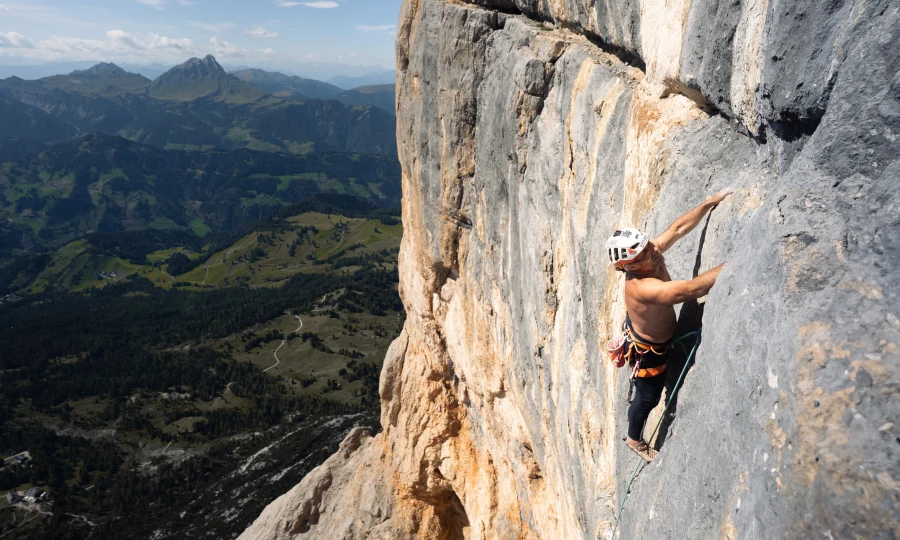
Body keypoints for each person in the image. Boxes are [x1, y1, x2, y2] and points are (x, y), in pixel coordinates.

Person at [605, 189, 733, 461]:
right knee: (648, 398)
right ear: (629, 265)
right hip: (650, 350)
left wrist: (709, 202)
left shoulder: (646, 254)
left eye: (647, 245)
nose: (653, 249)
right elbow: (689, 290)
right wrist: (733, 264)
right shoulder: (643, 287)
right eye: (643, 253)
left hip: (650, 331)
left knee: (650, 393)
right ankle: (633, 439)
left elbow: (677, 229)